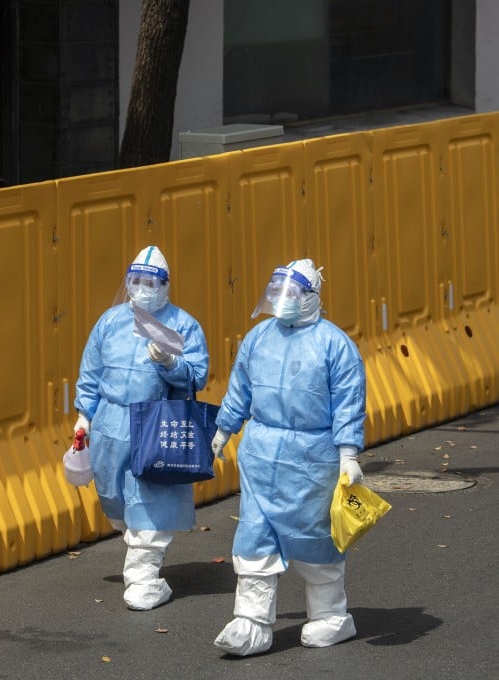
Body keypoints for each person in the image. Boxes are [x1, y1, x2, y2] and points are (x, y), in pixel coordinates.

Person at [210, 258, 366, 656]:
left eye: (291, 294)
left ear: (312, 298)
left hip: (312, 458)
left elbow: (348, 403)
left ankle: (331, 616)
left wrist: (349, 453)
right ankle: (252, 623)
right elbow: (240, 388)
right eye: (276, 292)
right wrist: (224, 428)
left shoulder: (335, 344)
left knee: (314, 539)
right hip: (261, 455)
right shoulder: (258, 337)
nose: (281, 300)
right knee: (254, 535)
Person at [73, 246, 210, 610]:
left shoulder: (182, 325)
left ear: (165, 285)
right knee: (115, 498)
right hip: (110, 425)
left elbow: (197, 376)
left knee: (149, 501)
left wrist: (170, 362)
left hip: (155, 421)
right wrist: (85, 415)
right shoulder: (110, 321)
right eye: (135, 281)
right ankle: (139, 551)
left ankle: (144, 578)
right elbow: (91, 372)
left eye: (150, 282)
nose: (141, 288)